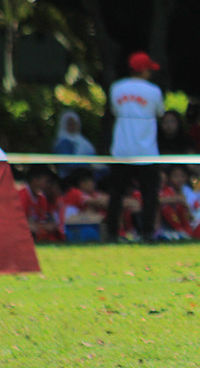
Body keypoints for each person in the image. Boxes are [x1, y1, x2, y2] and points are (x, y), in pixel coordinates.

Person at [106, 51, 165, 242]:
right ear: (144, 70)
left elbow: (115, 111)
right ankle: (148, 233)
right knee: (149, 195)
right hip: (146, 151)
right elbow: (159, 112)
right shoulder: (154, 91)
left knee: (116, 194)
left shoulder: (116, 88)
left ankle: (112, 232)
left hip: (121, 150)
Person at [52, 110, 105, 186]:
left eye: (75, 124)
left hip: (88, 177)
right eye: (69, 124)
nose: (73, 127)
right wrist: (88, 164)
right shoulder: (62, 143)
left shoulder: (83, 142)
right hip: (71, 181)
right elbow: (67, 165)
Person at [17, 166, 62, 242]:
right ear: (35, 180)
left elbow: (43, 220)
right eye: (46, 181)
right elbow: (17, 222)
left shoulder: (42, 199)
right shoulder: (20, 196)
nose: (48, 185)